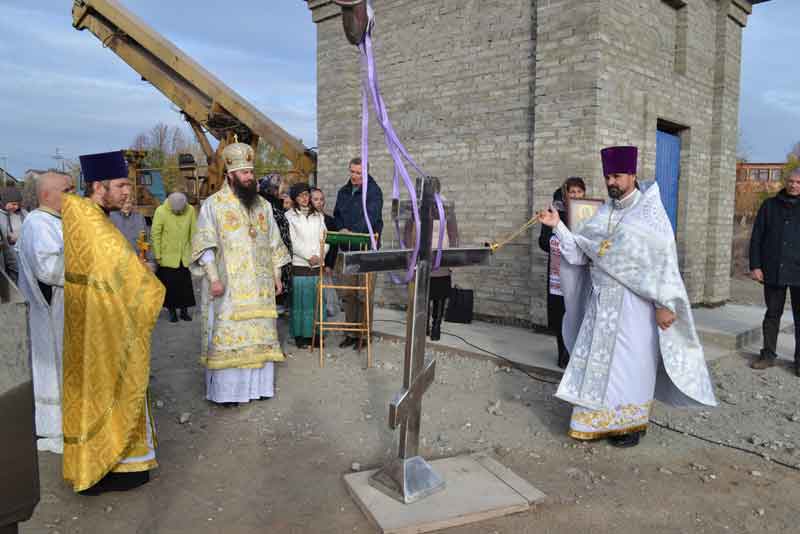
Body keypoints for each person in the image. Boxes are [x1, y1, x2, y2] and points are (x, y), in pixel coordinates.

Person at [537, 146, 716, 447]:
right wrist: (558, 227)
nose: (611, 182)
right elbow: (582, 253)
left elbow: (663, 263)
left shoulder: (650, 215)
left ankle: (631, 425)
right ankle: (595, 420)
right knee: (598, 363)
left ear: (632, 175)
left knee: (632, 365)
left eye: (617, 176)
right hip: (601, 304)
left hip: (636, 307)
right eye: (608, 176)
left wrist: (664, 303)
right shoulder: (605, 212)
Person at [61, 150, 164, 494]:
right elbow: (125, 274)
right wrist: (147, 279)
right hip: (103, 325)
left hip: (96, 321)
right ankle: (112, 468)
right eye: (120, 185)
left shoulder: (87, 214)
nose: (127, 191)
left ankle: (108, 464)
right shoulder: (92, 223)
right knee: (111, 386)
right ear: (97, 186)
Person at [191, 141, 290, 405]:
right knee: (228, 334)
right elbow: (205, 244)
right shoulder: (214, 205)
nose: (249, 177)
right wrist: (213, 278)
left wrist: (277, 276)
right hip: (229, 287)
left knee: (260, 335)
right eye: (244, 173)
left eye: (251, 171)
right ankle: (227, 394)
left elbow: (274, 243)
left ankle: (257, 389)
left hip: (261, 288)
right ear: (230, 174)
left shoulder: (263, 206)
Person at [15, 172, 74, 454]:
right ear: (49, 194)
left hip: (62, 309)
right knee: (53, 369)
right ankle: (54, 429)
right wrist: (87, 263)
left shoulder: (53, 221)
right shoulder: (38, 224)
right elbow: (48, 269)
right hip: (53, 313)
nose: (72, 194)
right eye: (67, 189)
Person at [749, 167, 800, 375]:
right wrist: (755, 266)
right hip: (773, 270)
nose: (794, 185)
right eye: (791, 181)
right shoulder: (769, 205)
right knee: (772, 314)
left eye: (798, 182)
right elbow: (757, 237)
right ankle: (768, 355)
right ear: (785, 182)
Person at [333, 157, 383, 349]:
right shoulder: (343, 191)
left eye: (358, 173)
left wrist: (353, 231)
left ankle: (364, 334)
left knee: (364, 294)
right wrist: (342, 229)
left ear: (366, 172)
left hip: (366, 250)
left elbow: (371, 217)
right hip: (347, 249)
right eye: (352, 172)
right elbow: (337, 214)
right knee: (349, 293)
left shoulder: (374, 192)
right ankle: (351, 333)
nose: (354, 176)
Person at [538, 177, 586, 368]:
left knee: (579, 311)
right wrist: (554, 242)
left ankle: (578, 352)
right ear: (565, 193)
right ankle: (563, 352)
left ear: (584, 193)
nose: (575, 195)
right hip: (558, 272)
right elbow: (542, 241)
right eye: (572, 192)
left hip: (580, 272)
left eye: (579, 192)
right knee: (560, 312)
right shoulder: (554, 214)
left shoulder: (589, 213)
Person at [286, 183, 330, 348]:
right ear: (294, 198)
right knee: (301, 303)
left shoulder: (318, 216)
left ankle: (316, 336)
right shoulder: (289, 216)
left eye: (306, 195)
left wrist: (319, 255)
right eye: (300, 196)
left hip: (317, 264)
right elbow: (292, 241)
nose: (304, 198)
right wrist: (308, 256)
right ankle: (301, 336)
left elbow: (325, 238)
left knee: (316, 302)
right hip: (300, 265)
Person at [151, 192, 197, 323]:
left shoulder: (191, 210)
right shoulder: (160, 211)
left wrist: (195, 252)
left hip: (185, 255)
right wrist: (158, 254)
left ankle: (184, 311)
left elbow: (194, 232)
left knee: (185, 286)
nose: (178, 213)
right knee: (170, 286)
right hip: (167, 256)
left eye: (180, 211)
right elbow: (156, 234)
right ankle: (172, 312)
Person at [259, 174, 293, 311]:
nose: (284, 192)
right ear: (272, 189)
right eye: (280, 189)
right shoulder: (267, 205)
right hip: (273, 256)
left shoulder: (275, 204)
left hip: (279, 255)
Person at [110, 196, 153, 267]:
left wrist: (150, 260)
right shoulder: (111, 217)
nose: (126, 206)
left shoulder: (139, 217)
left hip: (138, 261)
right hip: (118, 261)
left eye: (129, 203)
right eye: (123, 203)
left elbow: (146, 239)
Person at [1, 187, 29, 282]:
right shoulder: (1, 216)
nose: (16, 207)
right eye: (13, 204)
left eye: (18, 204)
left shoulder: (23, 213)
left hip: (23, 258)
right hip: (7, 259)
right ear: (5, 201)